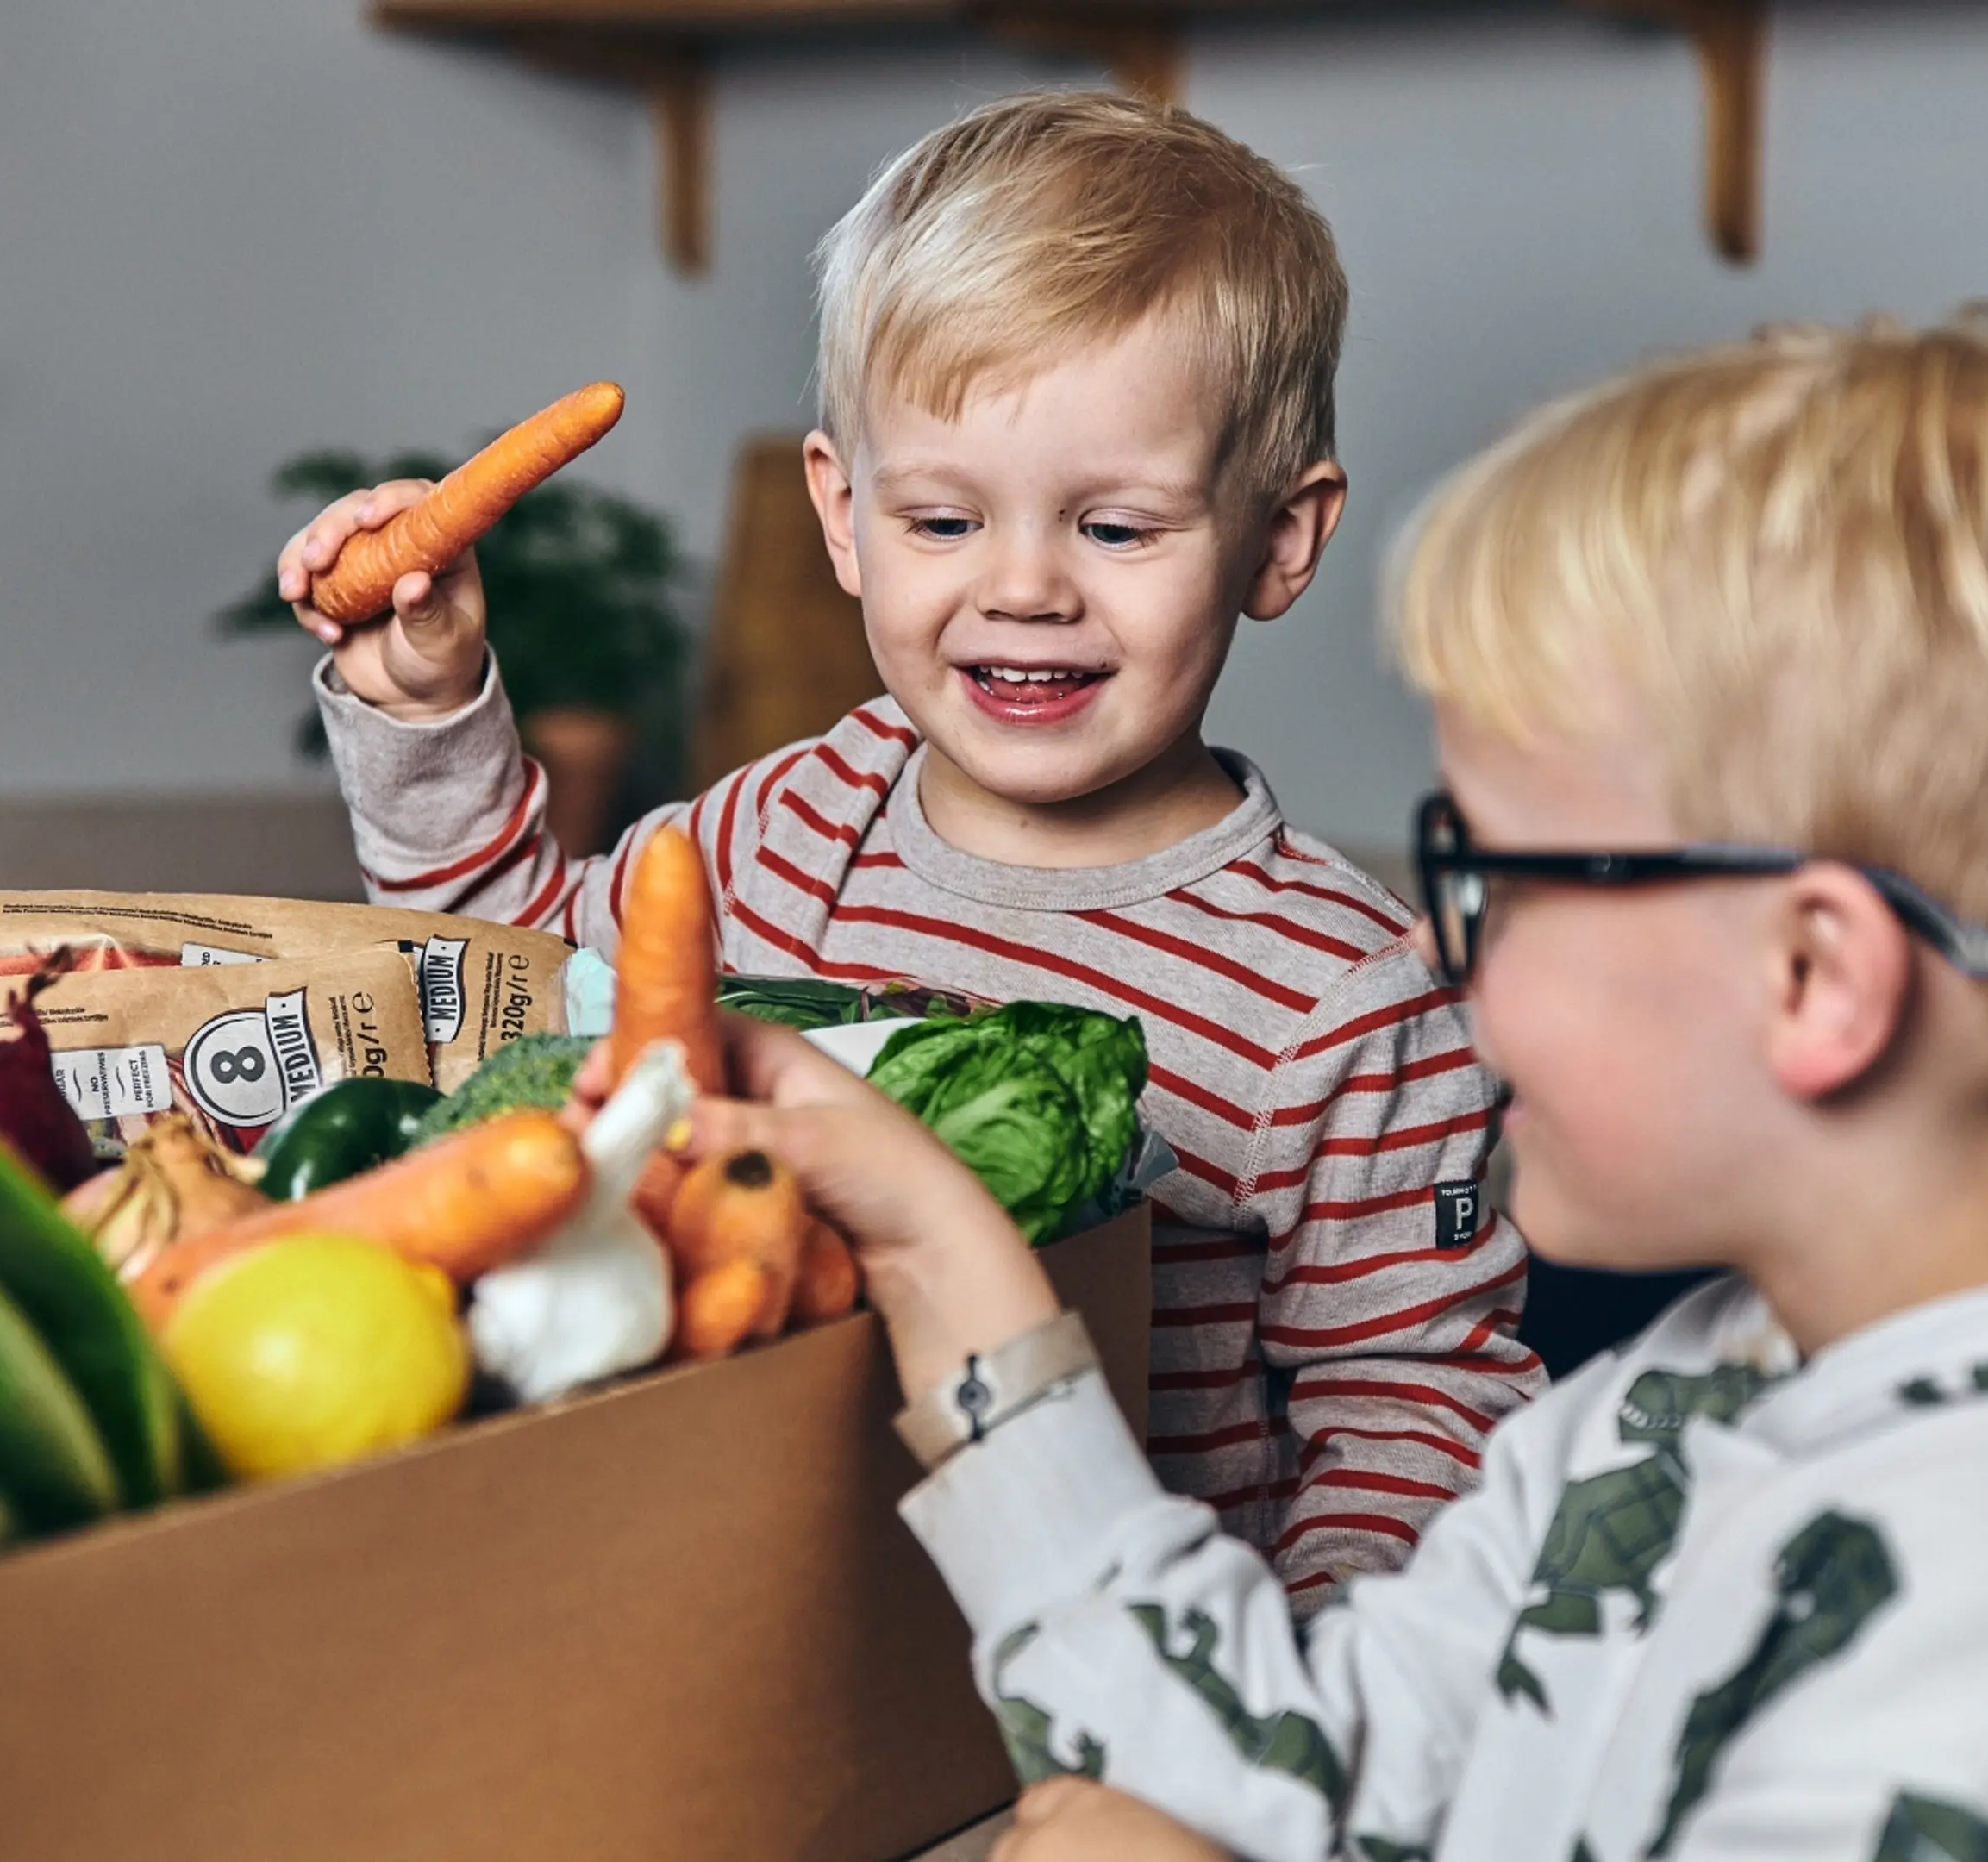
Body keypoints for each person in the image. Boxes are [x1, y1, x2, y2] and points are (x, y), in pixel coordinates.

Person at [677, 309, 1988, 1860]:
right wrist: (949, 1254)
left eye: (1496, 875)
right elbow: (1313, 1762)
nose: (1443, 949)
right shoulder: (1675, 1407)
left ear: (1816, 977)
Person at [276, 90, 1544, 1605]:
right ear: (844, 515)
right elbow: (504, 998)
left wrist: (1282, 1724)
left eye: (1118, 531)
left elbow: (1415, 1411)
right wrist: (424, 709)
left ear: (1280, 537)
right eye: (943, 522)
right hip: (741, 1613)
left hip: (1102, 1699)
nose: (1024, 590)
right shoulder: (789, 822)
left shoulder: (1345, 996)